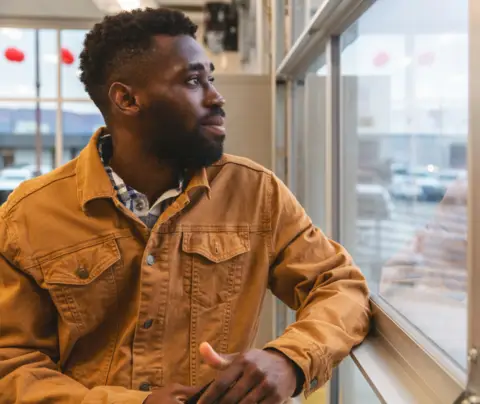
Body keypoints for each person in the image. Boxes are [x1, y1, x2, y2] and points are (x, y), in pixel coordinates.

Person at [0, 8, 370, 404]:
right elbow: (13, 364)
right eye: (194, 81)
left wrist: (290, 361)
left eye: (211, 78)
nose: (216, 96)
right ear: (127, 99)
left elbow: (340, 286)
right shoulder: (29, 215)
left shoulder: (255, 193)